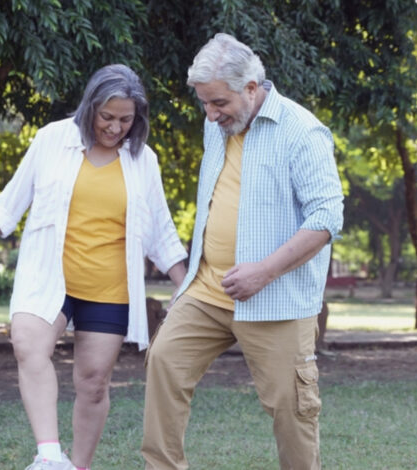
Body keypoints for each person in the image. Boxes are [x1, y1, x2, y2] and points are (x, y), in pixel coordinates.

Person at [0, 64, 187, 470]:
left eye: (126, 120)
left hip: (109, 288)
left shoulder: (142, 160)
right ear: (90, 106)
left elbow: (161, 231)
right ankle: (48, 457)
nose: (115, 128)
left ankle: (77, 467)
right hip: (48, 277)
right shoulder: (52, 140)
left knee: (93, 384)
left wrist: (185, 289)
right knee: (27, 345)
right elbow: (11, 201)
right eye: (107, 117)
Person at [141, 33, 343, 470]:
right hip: (207, 290)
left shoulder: (302, 131)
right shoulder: (218, 125)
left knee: (291, 407)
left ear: (251, 88)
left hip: (276, 298)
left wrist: (263, 272)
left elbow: (327, 217)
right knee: (164, 362)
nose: (211, 114)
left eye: (219, 102)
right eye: (204, 103)